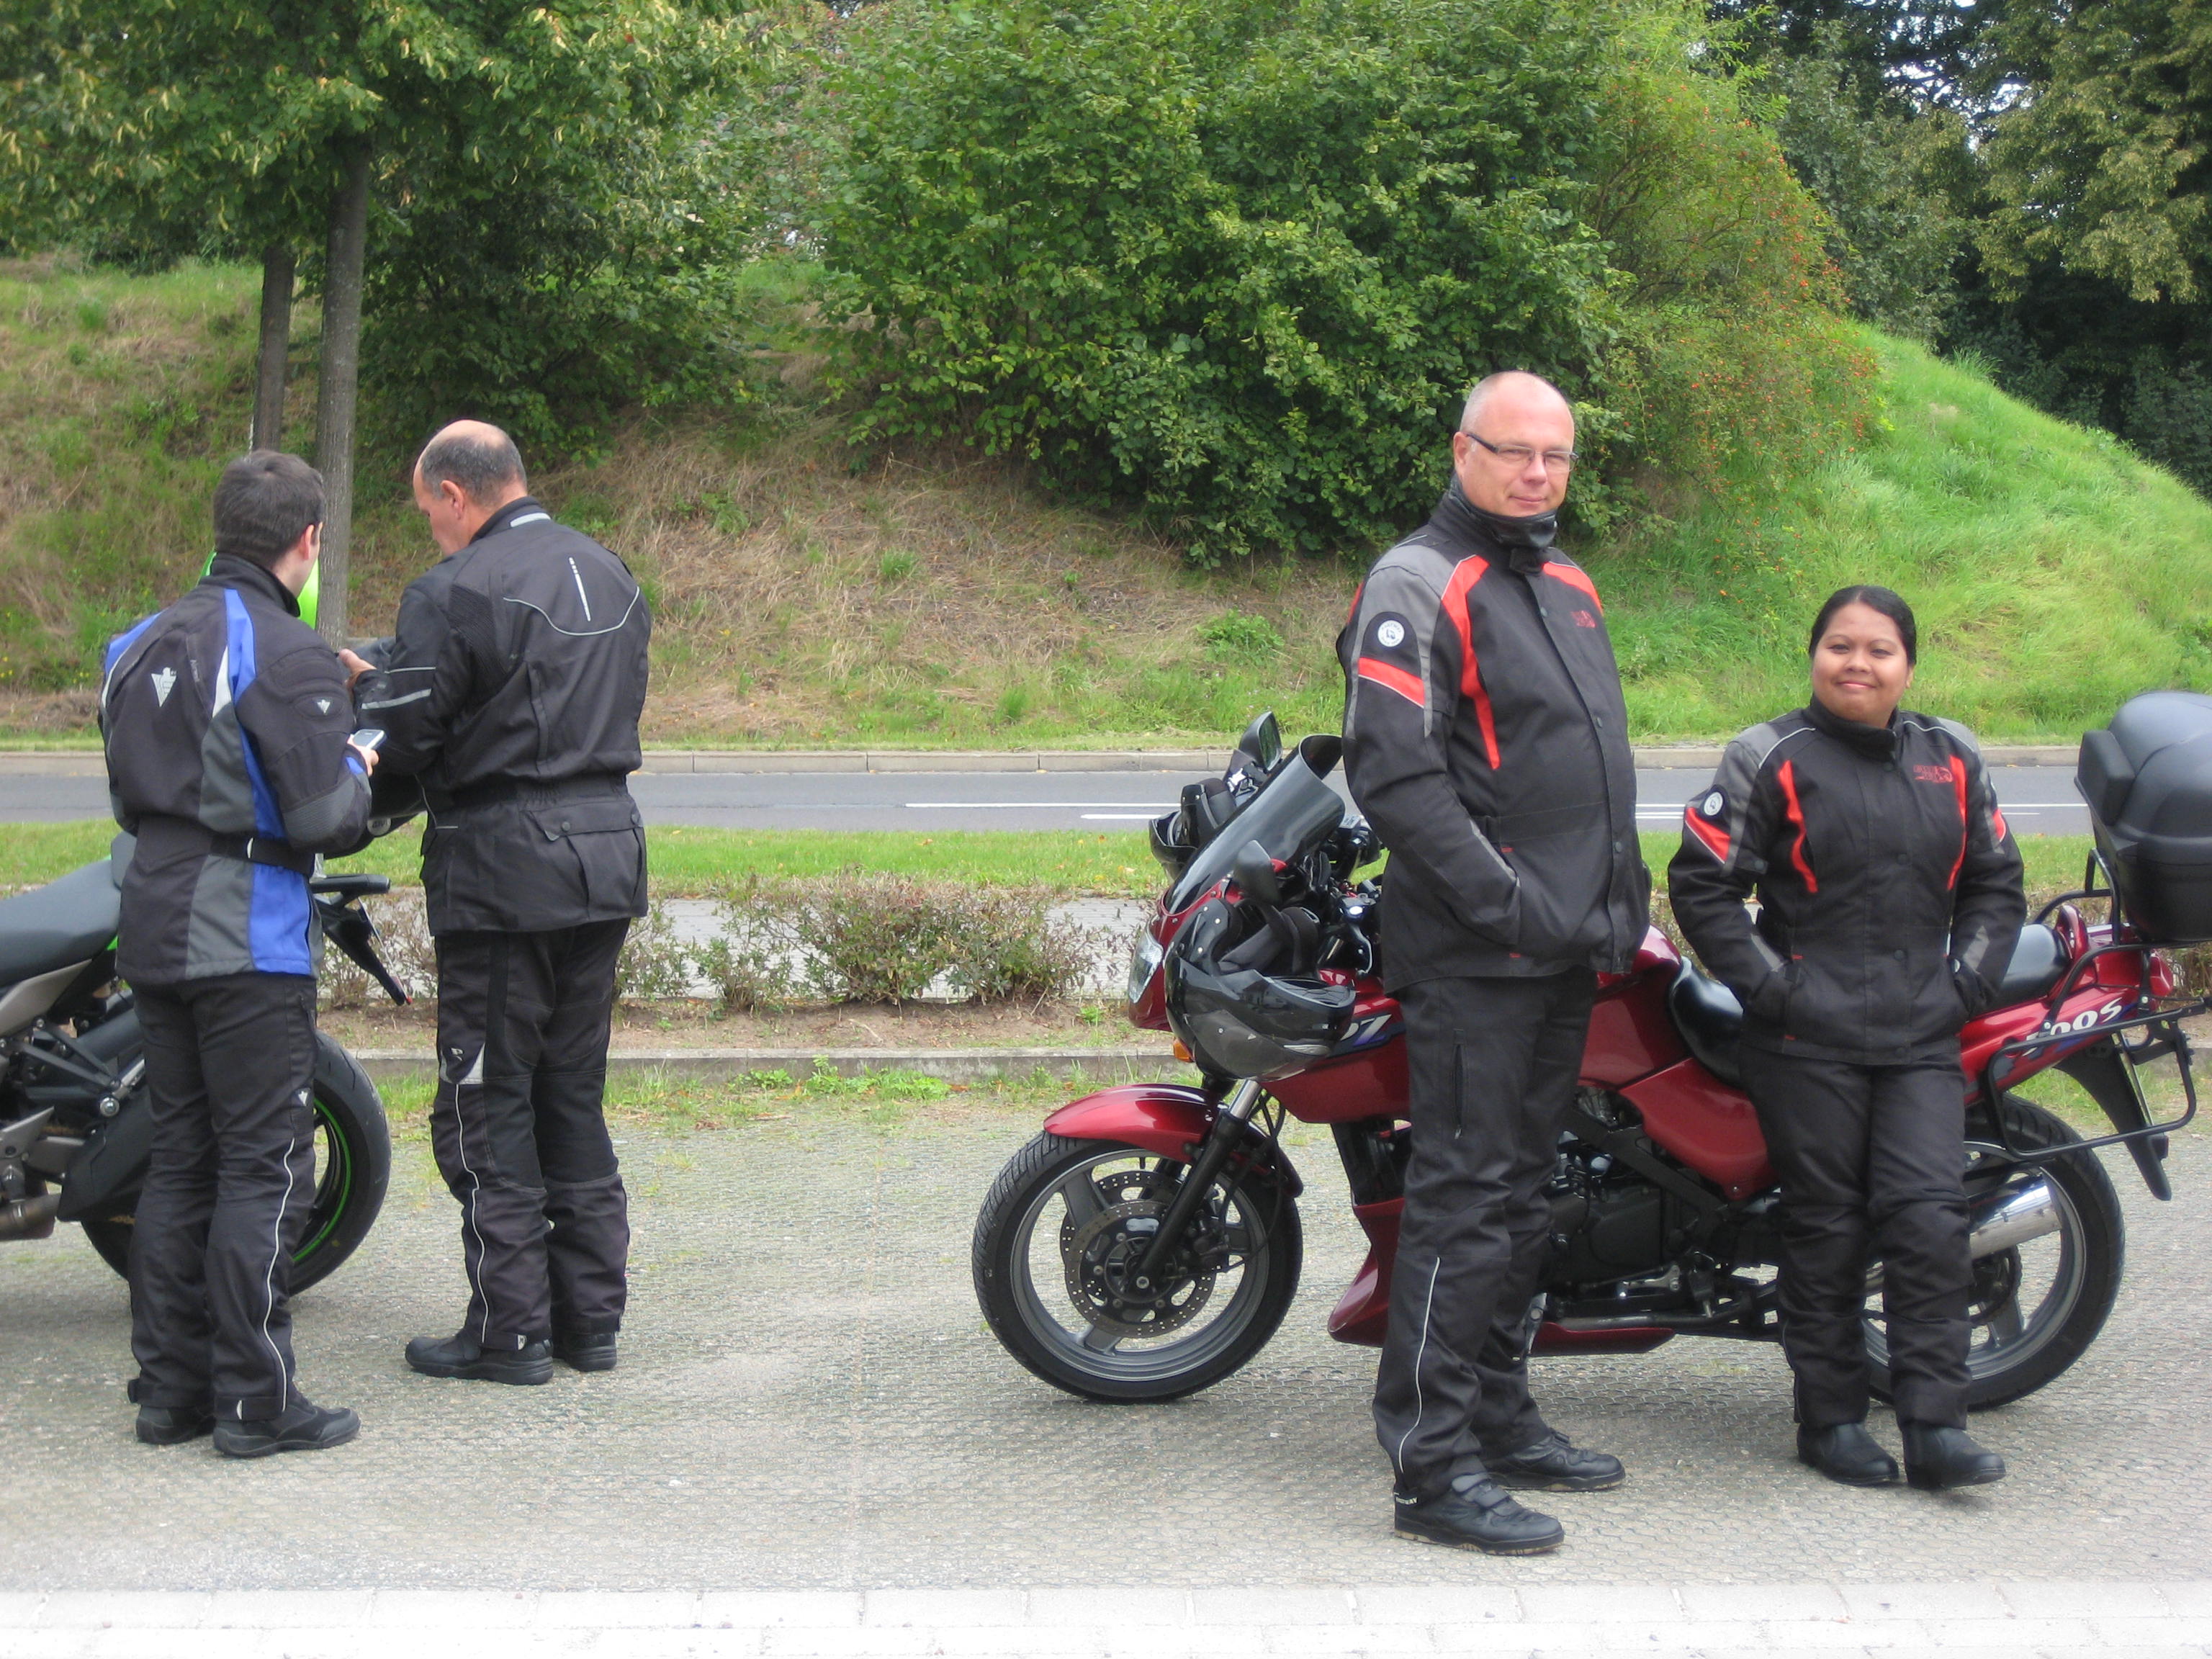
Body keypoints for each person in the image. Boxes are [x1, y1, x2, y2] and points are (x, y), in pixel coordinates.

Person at [1338, 372, 1650, 1555]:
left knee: (1526, 1198)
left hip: (1561, 949)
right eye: (1514, 450)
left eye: (1556, 455)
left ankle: (1500, 1414)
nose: (1536, 473)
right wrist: (1509, 903)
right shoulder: (1417, 579)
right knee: (1464, 1201)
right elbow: (1396, 772)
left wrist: (1611, 905)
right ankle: (1430, 1464)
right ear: (1461, 449)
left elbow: (1585, 762)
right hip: (1477, 955)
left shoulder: (1567, 582)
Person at [1668, 585, 2023, 1491]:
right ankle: (1827, 1420)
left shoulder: (1952, 756)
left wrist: (1964, 985)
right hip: (1805, 1039)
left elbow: (1996, 884)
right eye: (1839, 646)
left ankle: (1935, 1427)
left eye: (1878, 650)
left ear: (1909, 665)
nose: (1857, 664)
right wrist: (1777, 992)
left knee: (1928, 1218)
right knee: (1826, 1224)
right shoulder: (1768, 754)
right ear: (1814, 655)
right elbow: (1704, 884)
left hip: (1919, 1032)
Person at [341, 421, 651, 1385]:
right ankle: (588, 1320)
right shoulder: (612, 572)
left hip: (504, 873)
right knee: (571, 1093)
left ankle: (510, 1330)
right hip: (606, 855)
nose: (430, 529)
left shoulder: (453, 589)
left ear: (453, 494)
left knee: (484, 1100)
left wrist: (373, 696)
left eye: (426, 510)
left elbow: (411, 738)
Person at [100, 450, 377, 1457]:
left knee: (182, 1160)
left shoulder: (134, 643)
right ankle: (257, 1401)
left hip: (153, 919)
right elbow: (325, 816)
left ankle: (171, 1392)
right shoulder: (286, 646)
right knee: (266, 1167)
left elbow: (131, 792)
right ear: (308, 540)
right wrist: (356, 748)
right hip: (246, 935)